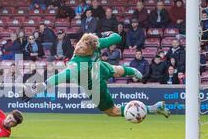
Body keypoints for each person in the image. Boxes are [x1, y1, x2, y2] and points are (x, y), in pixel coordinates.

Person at [22, 32, 170, 119]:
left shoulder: (77, 66)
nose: (78, 46)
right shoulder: (96, 44)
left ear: (90, 51)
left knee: (112, 112)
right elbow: (117, 38)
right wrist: (109, 34)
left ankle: (153, 108)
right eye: (79, 43)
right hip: (100, 67)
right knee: (114, 69)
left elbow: (58, 78)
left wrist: (37, 88)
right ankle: (133, 71)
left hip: (94, 85)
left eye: (82, 46)